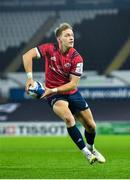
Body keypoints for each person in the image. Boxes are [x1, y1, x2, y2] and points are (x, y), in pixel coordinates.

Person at [22, 22, 105, 165]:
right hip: (54, 95)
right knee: (69, 119)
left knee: (91, 126)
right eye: (67, 35)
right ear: (59, 39)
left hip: (70, 91)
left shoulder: (77, 58)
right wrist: (30, 77)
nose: (71, 38)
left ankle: (91, 148)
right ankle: (86, 152)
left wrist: (52, 89)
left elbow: (73, 84)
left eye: (72, 35)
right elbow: (27, 55)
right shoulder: (49, 49)